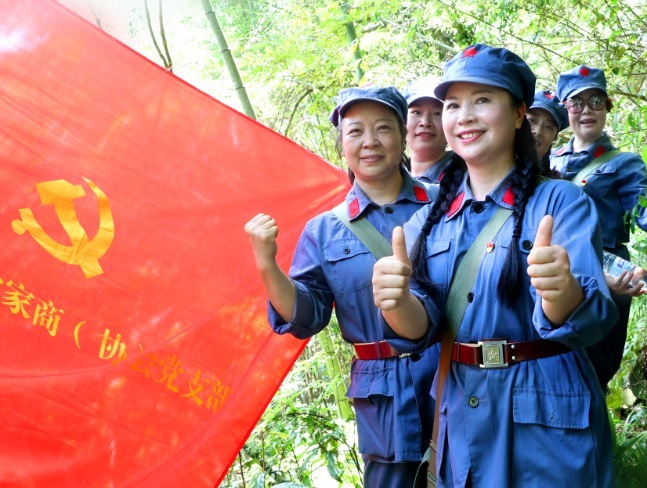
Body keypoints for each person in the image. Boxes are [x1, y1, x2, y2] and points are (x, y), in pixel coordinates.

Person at [371, 45, 619, 486]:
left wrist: (562, 293)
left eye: (482, 100)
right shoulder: (423, 224)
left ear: (520, 112)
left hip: (547, 411)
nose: (464, 115)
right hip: (461, 411)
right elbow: (421, 325)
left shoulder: (561, 202)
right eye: (453, 105)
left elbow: (594, 317)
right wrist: (395, 303)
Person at [244, 86, 440, 487]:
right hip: (384, 398)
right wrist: (266, 264)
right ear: (341, 144)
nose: (370, 142)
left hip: (453, 374)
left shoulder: (447, 205)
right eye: (355, 132)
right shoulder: (326, 230)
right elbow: (305, 316)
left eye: (383, 128)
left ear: (403, 136)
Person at [552, 65, 647, 392]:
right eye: (577, 103)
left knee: (595, 367)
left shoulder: (623, 162)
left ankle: (597, 439)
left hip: (608, 274)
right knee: (555, 362)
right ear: (565, 109)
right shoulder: (551, 160)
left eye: (596, 101)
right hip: (557, 269)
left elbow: (644, 209)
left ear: (608, 108)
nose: (587, 110)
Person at [402, 78, 454, 183]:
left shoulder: (469, 172)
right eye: (416, 112)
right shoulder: (389, 175)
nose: (425, 122)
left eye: (437, 113)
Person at [527, 89, 568, 171]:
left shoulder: (552, 183)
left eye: (549, 127)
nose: (538, 132)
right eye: (531, 120)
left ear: (554, 138)